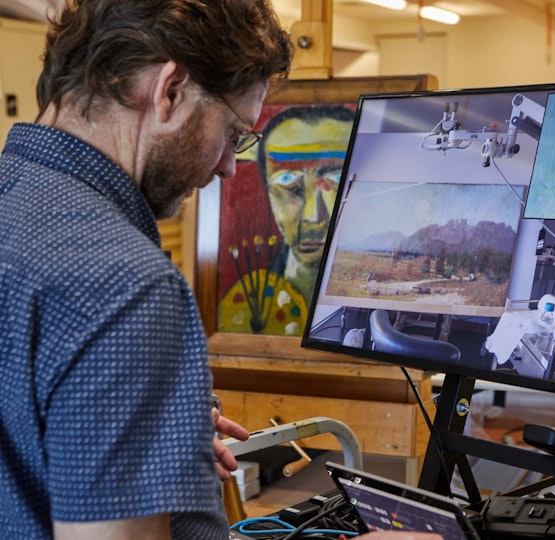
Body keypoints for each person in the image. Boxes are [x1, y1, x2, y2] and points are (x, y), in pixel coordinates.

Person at [0, 0, 292, 538]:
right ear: (171, 91)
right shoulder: (125, 284)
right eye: (233, 132)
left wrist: (140, 434)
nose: (229, 166)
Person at [217, 104, 354, 336]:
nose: (313, 216)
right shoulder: (243, 306)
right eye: (288, 182)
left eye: (338, 179)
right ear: (268, 191)